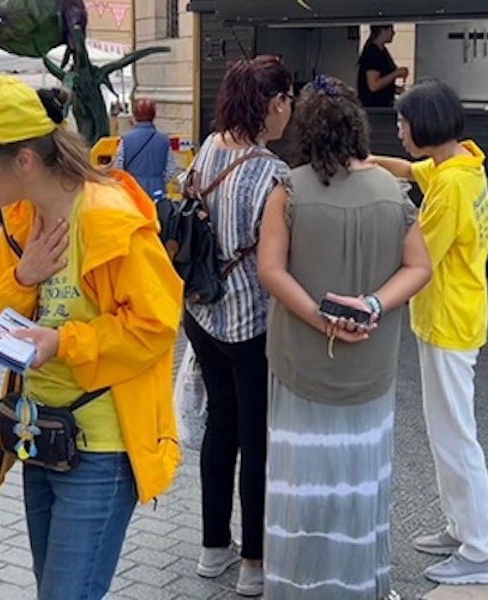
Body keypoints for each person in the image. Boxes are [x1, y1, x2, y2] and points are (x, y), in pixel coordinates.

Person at [0, 74, 183, 600]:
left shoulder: (108, 218)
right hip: (38, 433)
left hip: (102, 447)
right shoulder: (18, 218)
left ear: (23, 160)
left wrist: (62, 342)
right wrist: (26, 279)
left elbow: (156, 325)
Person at [257, 75, 432, 600]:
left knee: (301, 488)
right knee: (361, 486)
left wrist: (319, 317)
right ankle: (360, 585)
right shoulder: (392, 189)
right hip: (371, 369)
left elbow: (270, 270)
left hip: (301, 366)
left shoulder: (288, 190)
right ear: (359, 128)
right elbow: (419, 266)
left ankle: (298, 586)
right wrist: (373, 304)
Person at [371, 79, 488, 586]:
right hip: (455, 316)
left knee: (455, 437)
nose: (399, 131)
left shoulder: (450, 186)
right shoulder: (463, 163)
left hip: (449, 321)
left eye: (402, 123)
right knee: (445, 430)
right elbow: (407, 169)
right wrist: (366, 159)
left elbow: (418, 256)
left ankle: (480, 550)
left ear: (424, 123)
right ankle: (459, 527)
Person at [181, 55, 292, 597]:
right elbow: (274, 262)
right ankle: (253, 561)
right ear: (273, 104)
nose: (289, 111)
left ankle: (211, 547)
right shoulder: (273, 173)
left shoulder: (207, 149)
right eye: (287, 100)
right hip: (249, 320)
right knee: (256, 435)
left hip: (201, 312)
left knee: (221, 423)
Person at [112, 98, 176, 198]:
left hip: (133, 191)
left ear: (135, 116)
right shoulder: (164, 140)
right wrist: (158, 180)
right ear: (153, 115)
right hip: (157, 191)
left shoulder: (126, 140)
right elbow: (170, 169)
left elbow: (118, 168)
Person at [357, 25, 409, 108]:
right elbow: (373, 86)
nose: (393, 33)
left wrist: (395, 89)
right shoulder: (373, 53)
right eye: (390, 29)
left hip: (384, 104)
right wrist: (395, 74)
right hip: (374, 107)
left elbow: (382, 82)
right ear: (382, 30)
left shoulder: (382, 51)